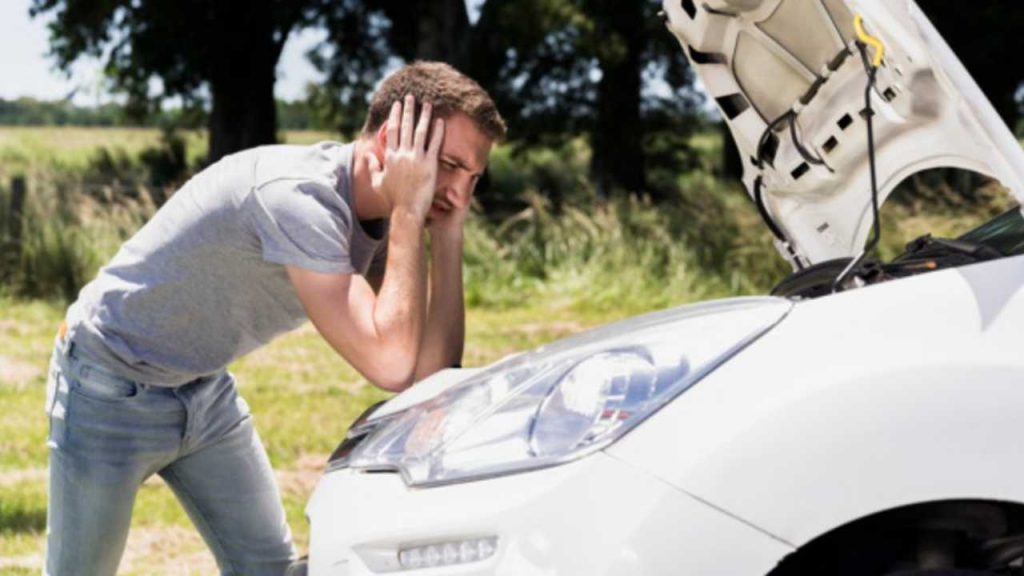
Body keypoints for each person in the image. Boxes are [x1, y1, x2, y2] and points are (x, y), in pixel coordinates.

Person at [43, 61, 507, 575]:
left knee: (270, 571)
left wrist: (447, 234)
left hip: (203, 389)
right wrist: (410, 214)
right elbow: (392, 365)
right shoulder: (299, 198)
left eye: (473, 178)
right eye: (447, 165)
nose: (461, 194)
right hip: (107, 383)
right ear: (394, 142)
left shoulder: (379, 216)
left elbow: (426, 381)